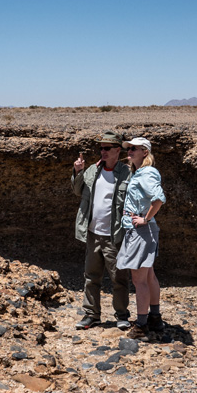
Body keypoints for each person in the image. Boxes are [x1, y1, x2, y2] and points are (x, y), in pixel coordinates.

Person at [72, 131, 132, 330]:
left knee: (119, 278)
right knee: (91, 277)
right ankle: (92, 315)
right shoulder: (92, 170)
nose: (102, 151)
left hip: (114, 235)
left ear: (117, 150)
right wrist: (78, 172)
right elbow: (78, 191)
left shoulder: (126, 173)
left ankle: (122, 315)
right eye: (101, 148)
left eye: (107, 148)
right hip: (93, 233)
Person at [116, 137, 166, 340]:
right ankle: (155, 318)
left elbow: (158, 199)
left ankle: (141, 325)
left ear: (145, 152)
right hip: (143, 230)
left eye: (134, 148)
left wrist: (145, 219)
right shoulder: (139, 173)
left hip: (140, 231)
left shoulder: (147, 173)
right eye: (128, 148)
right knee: (149, 276)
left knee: (139, 280)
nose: (129, 151)